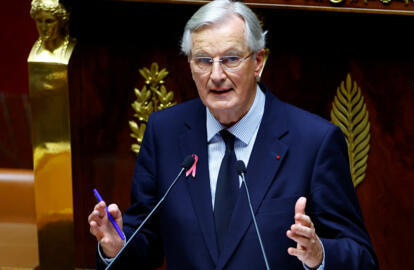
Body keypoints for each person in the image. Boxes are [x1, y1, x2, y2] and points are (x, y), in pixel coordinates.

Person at [88, 1, 378, 269]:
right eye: (203, 60)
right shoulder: (165, 132)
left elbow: (362, 258)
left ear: (259, 62)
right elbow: (148, 239)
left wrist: (319, 255)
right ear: (189, 65)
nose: (215, 75)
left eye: (230, 59)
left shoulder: (314, 141)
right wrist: (118, 246)